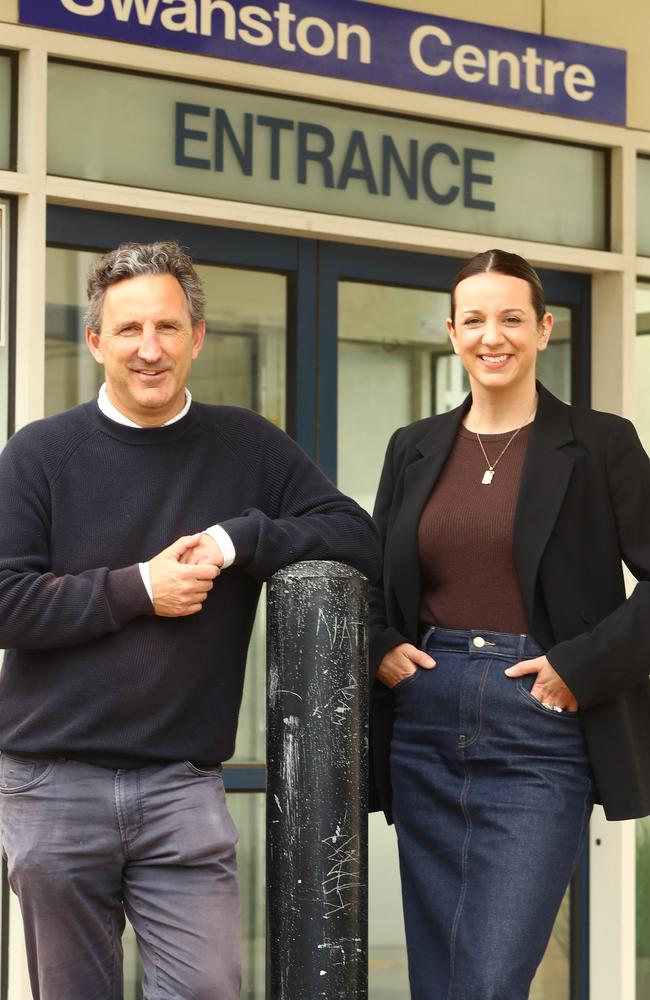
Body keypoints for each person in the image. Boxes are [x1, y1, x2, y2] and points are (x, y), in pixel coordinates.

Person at [0, 240, 380, 1000]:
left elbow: (356, 535)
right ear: (97, 340)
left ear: (197, 338)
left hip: (182, 788)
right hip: (52, 785)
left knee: (206, 988)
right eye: (131, 329)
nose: (150, 349)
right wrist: (141, 587)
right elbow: (8, 603)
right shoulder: (39, 455)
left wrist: (243, 537)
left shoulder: (246, 445)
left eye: (169, 328)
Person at [369, 248, 650, 1000]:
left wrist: (579, 669)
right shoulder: (414, 447)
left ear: (544, 329)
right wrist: (383, 647)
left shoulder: (600, 443)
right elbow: (371, 578)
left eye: (511, 319)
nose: (492, 336)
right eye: (474, 320)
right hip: (424, 719)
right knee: (442, 975)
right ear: (453, 332)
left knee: (490, 978)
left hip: (541, 724)